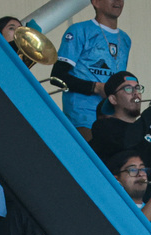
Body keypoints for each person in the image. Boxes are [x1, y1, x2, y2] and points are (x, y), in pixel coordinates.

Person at [51, 0, 129, 137]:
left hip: (113, 116)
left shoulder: (125, 39)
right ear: (96, 2)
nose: (118, 1)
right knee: (93, 148)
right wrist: (96, 88)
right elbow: (57, 76)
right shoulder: (79, 30)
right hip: (82, 117)